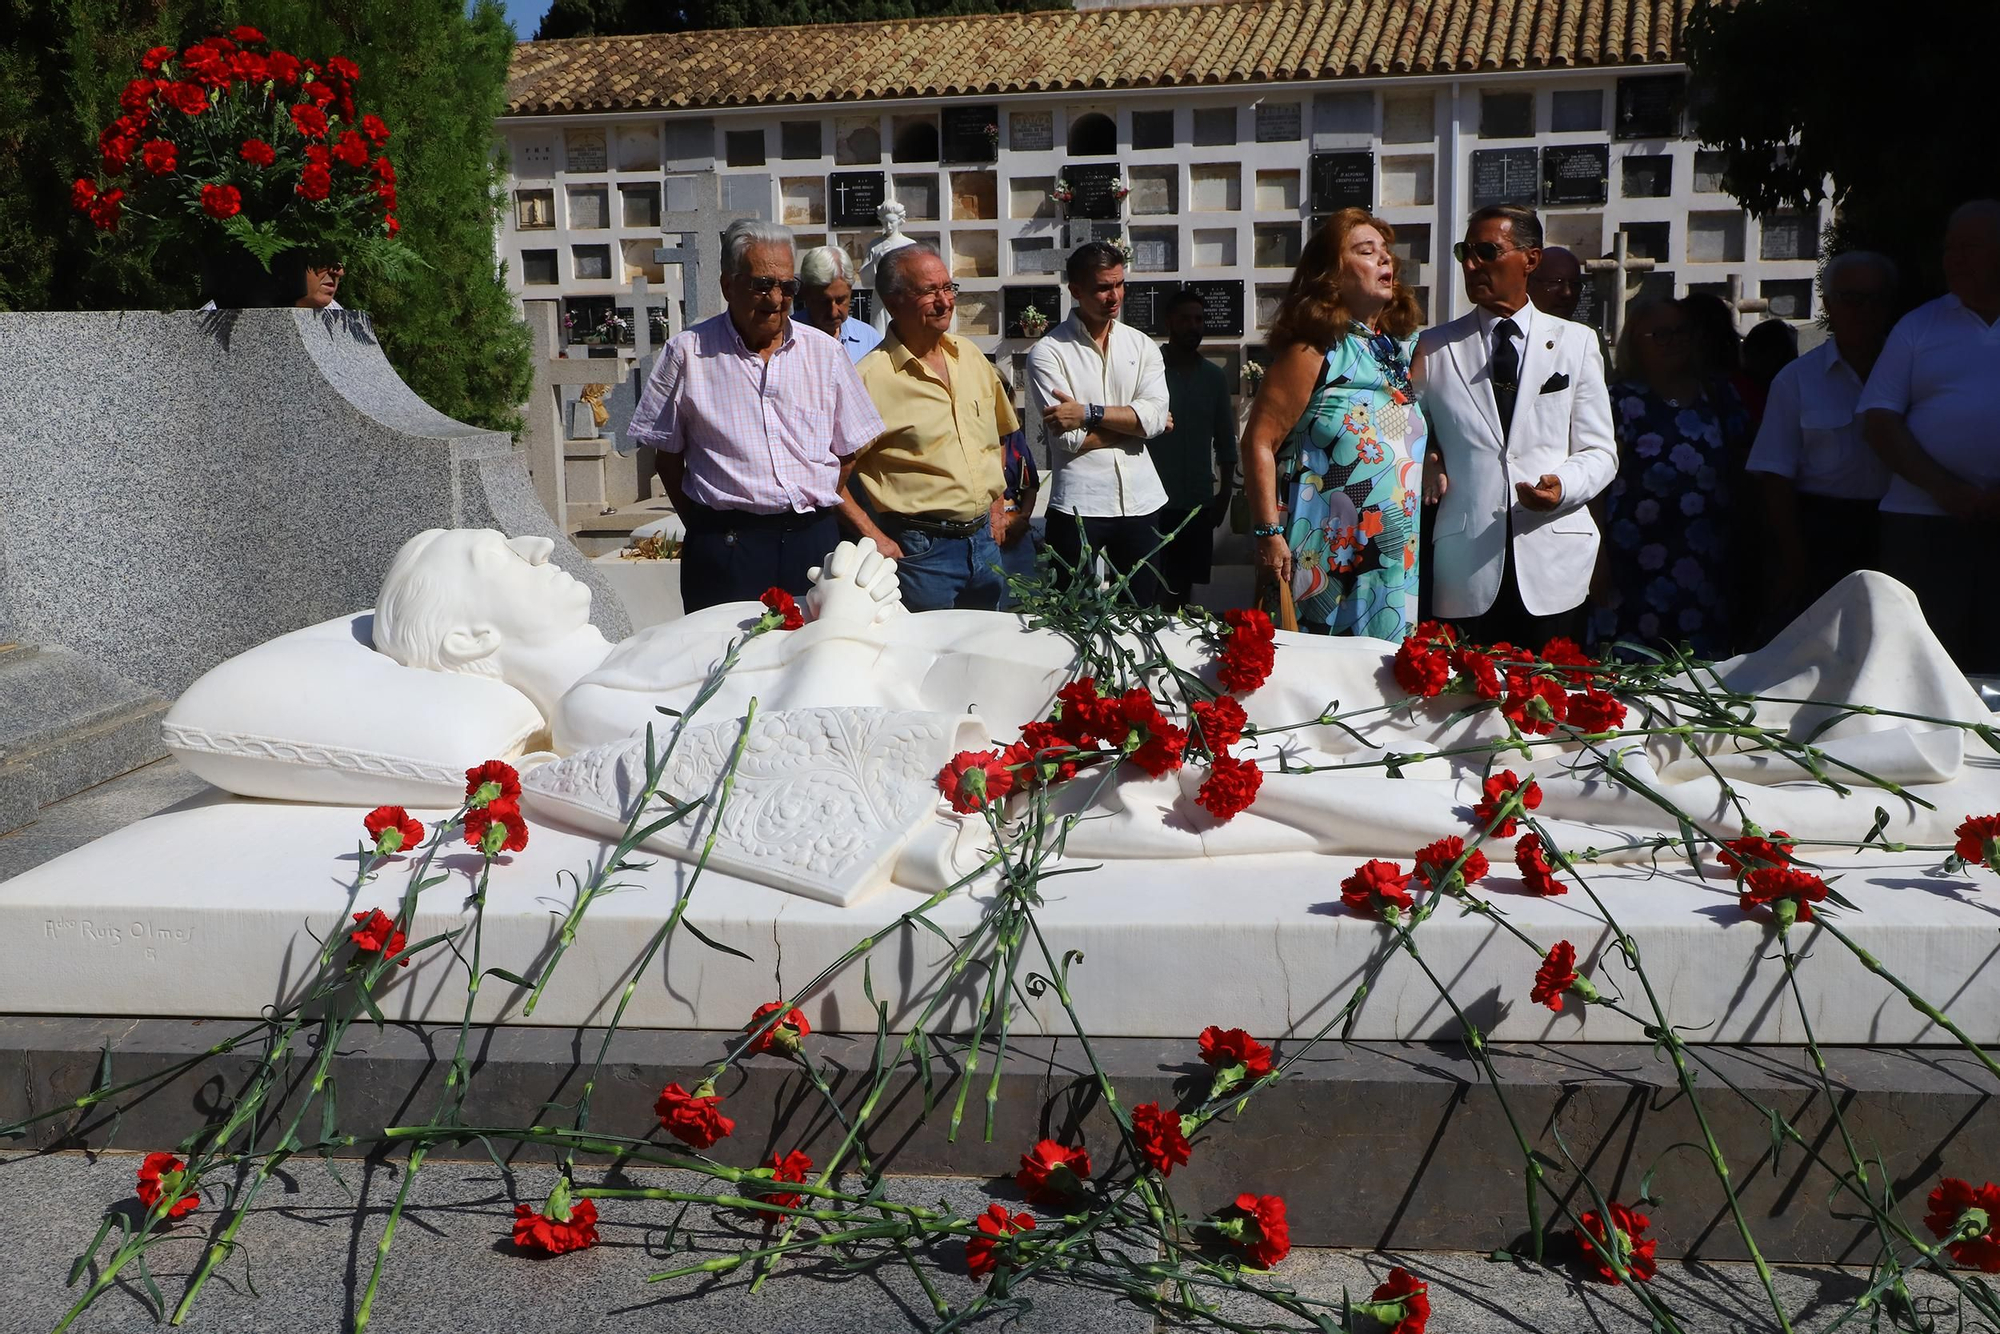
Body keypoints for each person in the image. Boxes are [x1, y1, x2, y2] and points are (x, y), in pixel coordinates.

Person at [626, 218, 886, 613]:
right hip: (727, 547)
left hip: (812, 543)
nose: (776, 298)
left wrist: (812, 494)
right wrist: (706, 527)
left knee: (811, 661)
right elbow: (666, 457)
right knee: (725, 662)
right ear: (728, 286)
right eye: (762, 284)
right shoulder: (687, 354)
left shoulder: (825, 354)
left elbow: (849, 450)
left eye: (787, 287)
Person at [1412, 204, 1617, 648]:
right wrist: (1429, 455)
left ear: (1530, 259)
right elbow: (1410, 428)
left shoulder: (1576, 342)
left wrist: (1561, 486)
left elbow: (1600, 451)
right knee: (1466, 705)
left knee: (1551, 706)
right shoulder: (1434, 347)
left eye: (1487, 251)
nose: (1472, 264)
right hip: (1465, 563)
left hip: (1554, 563)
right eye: (1466, 252)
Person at [1242, 209, 1426, 637]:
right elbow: (1259, 442)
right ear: (1332, 276)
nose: (1386, 261)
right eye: (1367, 251)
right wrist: (1268, 534)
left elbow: (1385, 441)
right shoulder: (1313, 350)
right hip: (1326, 558)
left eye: (1386, 252)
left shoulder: (1391, 353)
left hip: (1390, 560)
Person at [839, 244, 1035, 611]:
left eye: (948, 288)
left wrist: (995, 509)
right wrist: (874, 536)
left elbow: (995, 440)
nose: (945, 301)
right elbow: (831, 477)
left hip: (986, 545)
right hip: (922, 554)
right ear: (893, 301)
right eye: (929, 291)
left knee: (987, 652)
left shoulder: (971, 356)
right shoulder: (867, 379)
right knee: (927, 660)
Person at [1860, 199, 2000, 674]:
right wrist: (1946, 489)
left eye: (1970, 247)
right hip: (1923, 524)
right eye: (1949, 248)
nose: (1954, 259)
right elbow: (1879, 418)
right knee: (1924, 663)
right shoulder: (1919, 325)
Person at [1588, 297, 1751, 658]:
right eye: (1661, 334)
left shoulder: (1718, 395)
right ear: (1635, 341)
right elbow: (1596, 488)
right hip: (1632, 568)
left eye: (1681, 332)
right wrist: (1597, 559)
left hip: (1708, 568)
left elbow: (1743, 467)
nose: (1674, 341)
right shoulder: (1617, 401)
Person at [1745, 253, 1897, 626]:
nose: (1862, 310)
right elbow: (1775, 476)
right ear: (1828, 305)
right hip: (1821, 530)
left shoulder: (1914, 372)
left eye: (1874, 298)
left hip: (1899, 529)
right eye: (1850, 299)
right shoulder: (1796, 380)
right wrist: (1794, 558)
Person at [1027, 241, 1172, 607]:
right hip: (1079, 502)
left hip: (1143, 500)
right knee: (1070, 617)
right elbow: (1069, 440)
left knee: (1141, 616)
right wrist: (1135, 427)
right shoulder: (1049, 351)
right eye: (1103, 287)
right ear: (1075, 290)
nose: (1114, 296)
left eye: (1120, 284)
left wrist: (1090, 413)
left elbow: (1153, 418)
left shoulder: (1142, 346)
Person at [1147, 290, 1238, 610]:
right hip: (1152, 504)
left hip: (1196, 505)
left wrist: (1224, 496)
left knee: (1183, 593)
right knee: (1149, 588)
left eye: (1199, 319)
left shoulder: (1213, 378)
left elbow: (1226, 442)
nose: (1193, 326)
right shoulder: (1150, 371)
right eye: (1185, 319)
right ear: (1169, 321)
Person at [797, 245, 881, 363]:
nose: (833, 312)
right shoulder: (785, 339)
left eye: (840, 300)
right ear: (806, 294)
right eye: (824, 302)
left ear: (850, 290)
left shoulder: (869, 339)